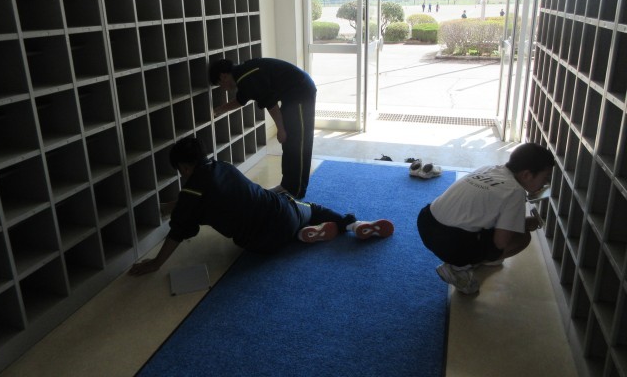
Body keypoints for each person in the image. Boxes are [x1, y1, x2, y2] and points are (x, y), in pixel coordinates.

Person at [128, 137, 394, 275]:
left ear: (184, 167)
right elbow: (198, 199)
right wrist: (173, 205)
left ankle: (299, 237)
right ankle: (351, 224)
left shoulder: (190, 195)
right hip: (282, 213)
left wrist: (156, 263)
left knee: (254, 225)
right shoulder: (224, 167)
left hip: (260, 246)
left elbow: (178, 230)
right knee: (312, 208)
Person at [416, 143, 554, 294]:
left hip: (426, 221)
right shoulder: (516, 191)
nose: (546, 183)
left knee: (491, 224)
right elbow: (500, 242)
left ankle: (471, 259)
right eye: (545, 177)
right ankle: (458, 269)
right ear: (527, 175)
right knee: (521, 238)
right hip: (450, 242)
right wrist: (524, 224)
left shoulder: (488, 168)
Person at [209, 57, 316, 199]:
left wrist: (281, 129)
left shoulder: (247, 77)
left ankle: (296, 191)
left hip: (301, 93)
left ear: (223, 76)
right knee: (290, 142)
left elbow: (271, 104)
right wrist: (218, 110)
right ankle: (287, 185)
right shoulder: (242, 75)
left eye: (220, 84)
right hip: (291, 95)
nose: (223, 88)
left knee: (299, 142)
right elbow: (240, 100)